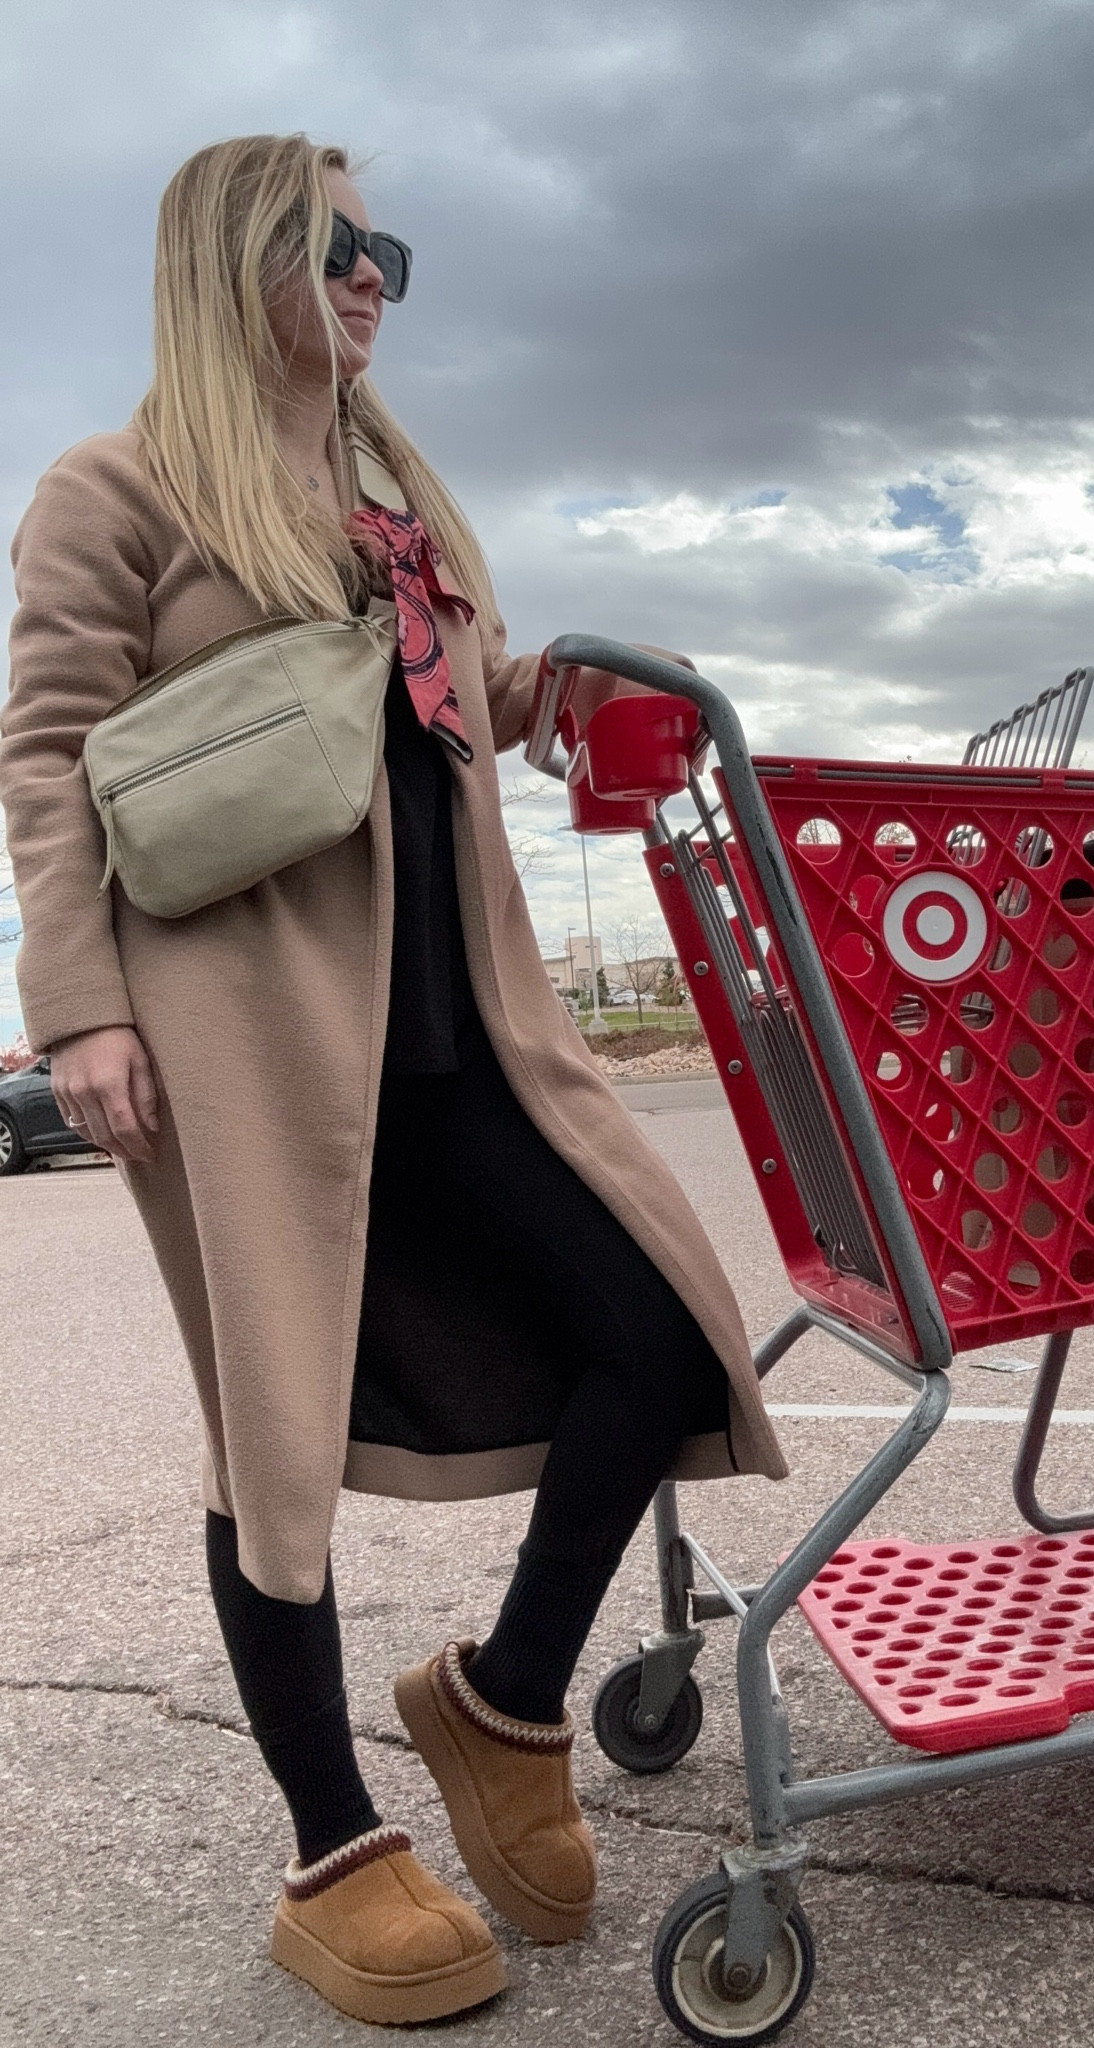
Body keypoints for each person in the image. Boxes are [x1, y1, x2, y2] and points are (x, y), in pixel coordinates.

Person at [0, 133, 785, 2028]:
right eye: (340, 247)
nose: (375, 280)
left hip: (465, 1031)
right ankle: (332, 1849)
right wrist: (80, 1004)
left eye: (391, 253)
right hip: (249, 1042)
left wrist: (549, 698)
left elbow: (440, 709)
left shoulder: (389, 489)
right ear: (239, 258)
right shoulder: (116, 488)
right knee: (271, 1432)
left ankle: (504, 1703)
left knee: (659, 1329)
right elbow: (45, 751)